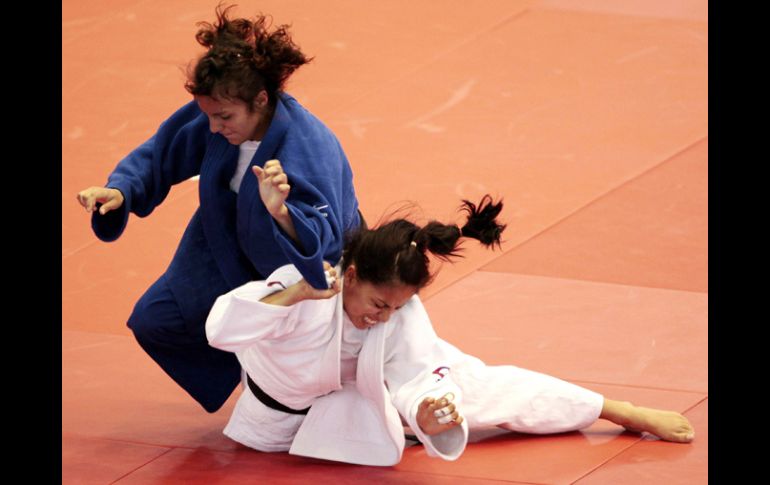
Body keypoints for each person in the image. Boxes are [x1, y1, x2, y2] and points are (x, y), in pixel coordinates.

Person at [205, 194, 694, 466]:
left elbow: (418, 372)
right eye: (378, 303)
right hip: (279, 423)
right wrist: (295, 295)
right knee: (425, 402)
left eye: (397, 307)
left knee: (476, 387)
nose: (383, 317)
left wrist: (429, 412)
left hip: (367, 389)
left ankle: (614, 408)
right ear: (350, 276)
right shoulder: (305, 289)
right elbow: (222, 329)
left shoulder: (399, 315)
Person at [75, 5, 361, 413]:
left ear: (261, 100)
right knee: (156, 320)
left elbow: (328, 237)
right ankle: (254, 375)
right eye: (208, 115)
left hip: (296, 269)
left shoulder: (308, 144)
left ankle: (276, 389)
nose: (213, 126)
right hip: (221, 245)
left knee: (304, 368)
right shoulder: (216, 115)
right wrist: (122, 189)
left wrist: (282, 213)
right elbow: (162, 152)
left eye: (223, 116)